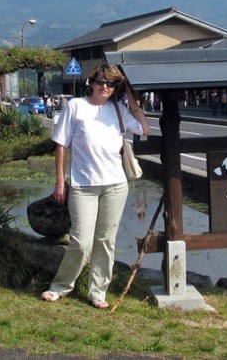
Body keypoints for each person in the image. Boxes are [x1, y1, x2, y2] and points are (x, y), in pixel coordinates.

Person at [41, 64, 151, 308]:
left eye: (111, 84)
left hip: (115, 185)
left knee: (106, 240)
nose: (105, 87)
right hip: (83, 185)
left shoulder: (118, 109)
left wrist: (131, 99)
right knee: (81, 241)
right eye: (101, 82)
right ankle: (61, 286)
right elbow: (61, 145)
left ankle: (97, 292)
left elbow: (145, 129)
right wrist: (60, 182)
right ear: (91, 82)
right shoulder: (76, 106)